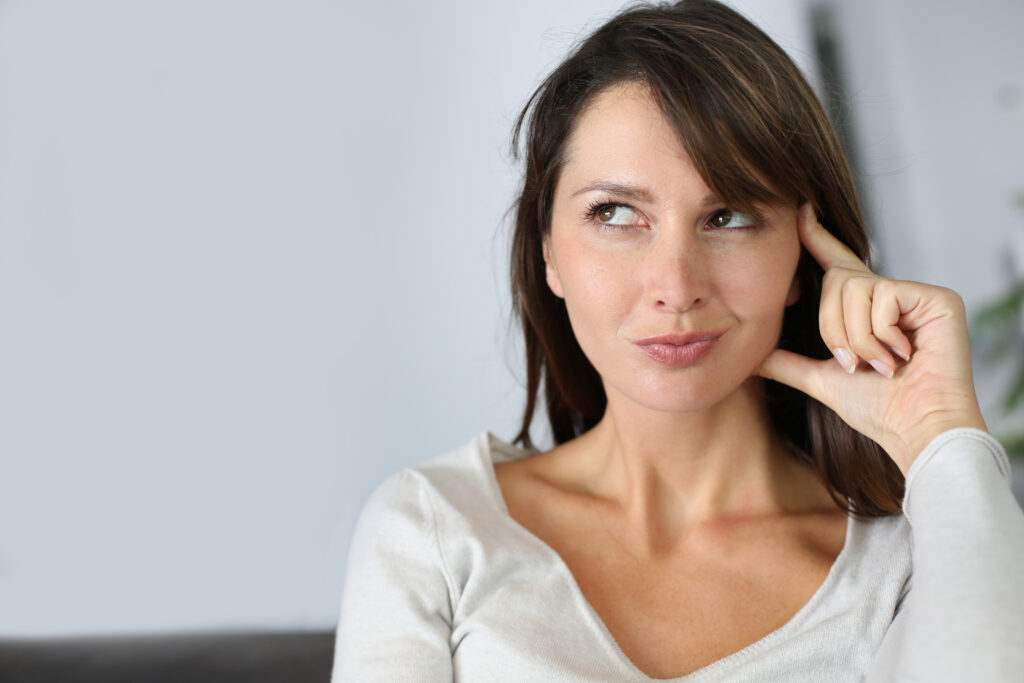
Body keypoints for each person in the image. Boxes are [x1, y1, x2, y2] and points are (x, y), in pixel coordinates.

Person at [332, 1, 1024, 680]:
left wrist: (942, 436)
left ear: (804, 255)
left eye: (728, 215)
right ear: (548, 253)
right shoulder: (435, 526)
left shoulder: (915, 560)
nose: (675, 284)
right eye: (615, 212)